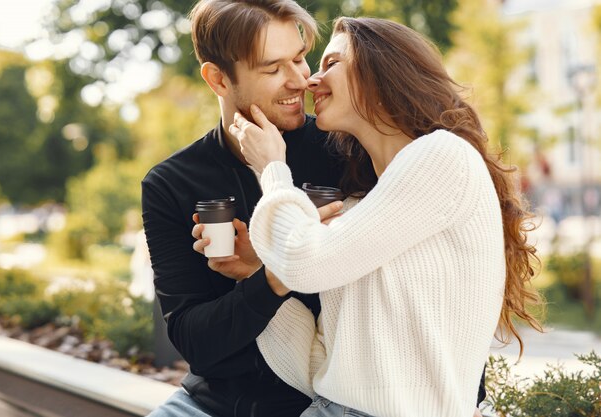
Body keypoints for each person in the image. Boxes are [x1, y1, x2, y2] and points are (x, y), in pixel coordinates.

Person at [231, 17, 543, 417]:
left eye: (331, 63)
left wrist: (271, 169)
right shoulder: (361, 207)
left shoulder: (442, 156)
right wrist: (251, 274)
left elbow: (306, 264)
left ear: (379, 70)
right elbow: (320, 366)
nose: (311, 81)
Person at [140, 1, 346, 416]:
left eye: (300, 58)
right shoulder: (171, 183)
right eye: (272, 69)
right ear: (218, 79)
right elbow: (194, 341)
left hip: (328, 402)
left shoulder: (343, 151)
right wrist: (270, 280)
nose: (299, 80)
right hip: (209, 404)